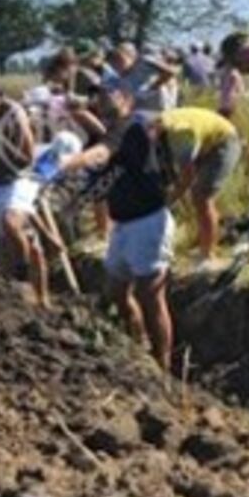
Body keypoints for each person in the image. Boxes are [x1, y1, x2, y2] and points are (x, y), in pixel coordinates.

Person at [94, 96, 178, 370]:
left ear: (127, 102)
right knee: (116, 290)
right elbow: (99, 185)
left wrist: (69, 162)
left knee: (150, 295)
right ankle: (139, 344)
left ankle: (163, 364)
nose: (105, 104)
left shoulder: (134, 129)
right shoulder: (108, 135)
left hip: (148, 221)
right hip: (123, 224)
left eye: (113, 98)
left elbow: (104, 155)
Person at [0, 78, 60, 307]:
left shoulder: (14, 114)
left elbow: (27, 157)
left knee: (11, 223)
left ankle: (24, 277)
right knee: (16, 243)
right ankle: (33, 296)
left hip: (21, 177)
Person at [152, 105, 242, 271]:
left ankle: (208, 257)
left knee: (201, 197)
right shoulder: (160, 126)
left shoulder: (179, 133)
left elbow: (187, 178)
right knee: (197, 197)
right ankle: (203, 244)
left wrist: (167, 202)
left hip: (224, 142)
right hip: (206, 141)